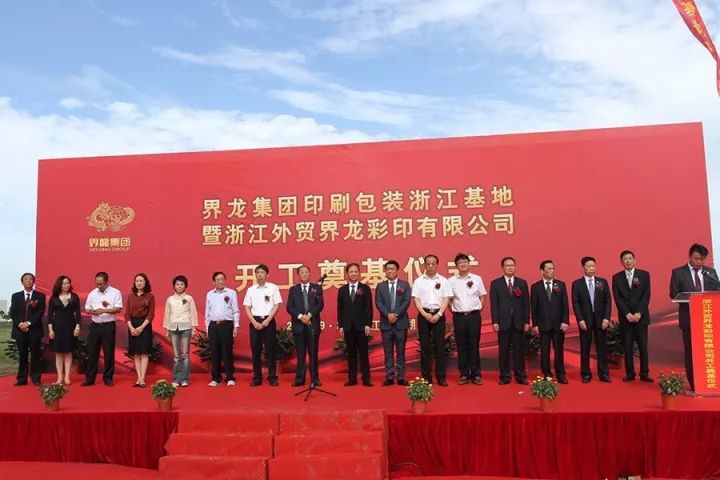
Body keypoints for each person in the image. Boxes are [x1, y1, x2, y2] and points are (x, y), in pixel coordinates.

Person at [669, 243, 719, 392]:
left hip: (708, 319)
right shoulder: (678, 273)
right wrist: (693, 298)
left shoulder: (710, 272)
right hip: (689, 319)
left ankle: (710, 383)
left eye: (702, 259)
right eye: (696, 258)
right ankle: (695, 385)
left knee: (709, 353)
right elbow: (674, 294)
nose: (699, 262)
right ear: (690, 256)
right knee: (691, 353)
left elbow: (717, 291)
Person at [411, 254, 453, 386]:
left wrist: (439, 314)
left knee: (440, 346)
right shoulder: (418, 281)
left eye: (433, 264)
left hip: (438, 315)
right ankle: (426, 377)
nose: (430, 266)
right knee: (425, 347)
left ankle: (440, 377)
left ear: (437, 265)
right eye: (428, 264)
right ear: (424, 265)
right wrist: (424, 314)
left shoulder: (444, 281)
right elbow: (416, 299)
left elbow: (446, 298)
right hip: (423, 315)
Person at [612, 250, 653, 383]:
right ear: (621, 262)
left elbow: (646, 295)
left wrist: (639, 313)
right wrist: (627, 313)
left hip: (641, 316)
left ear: (634, 260)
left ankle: (644, 373)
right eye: (625, 259)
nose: (628, 261)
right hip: (626, 318)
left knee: (643, 346)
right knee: (627, 346)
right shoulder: (617, 277)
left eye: (630, 258)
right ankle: (630, 373)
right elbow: (618, 298)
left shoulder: (644, 275)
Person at [490, 257, 530, 385]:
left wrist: (526, 321)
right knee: (504, 351)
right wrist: (495, 321)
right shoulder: (496, 283)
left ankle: (520, 375)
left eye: (512, 265)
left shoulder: (522, 283)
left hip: (518, 322)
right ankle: (504, 376)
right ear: (503, 267)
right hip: (503, 322)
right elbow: (494, 304)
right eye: (507, 265)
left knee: (519, 350)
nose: (510, 267)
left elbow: (526, 304)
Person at [571, 257, 612, 383]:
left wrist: (606, 318)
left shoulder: (602, 282)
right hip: (585, 320)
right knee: (585, 347)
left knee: (602, 347)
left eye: (593, 266)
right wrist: (580, 319)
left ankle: (604, 373)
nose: (591, 268)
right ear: (583, 267)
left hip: (600, 319)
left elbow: (608, 301)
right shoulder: (577, 284)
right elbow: (576, 303)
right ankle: (585, 373)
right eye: (588, 266)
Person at [449, 253, 487, 385]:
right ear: (456, 266)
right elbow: (448, 299)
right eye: (460, 262)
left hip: (474, 316)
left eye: (465, 261)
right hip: (459, 317)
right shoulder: (451, 281)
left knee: (474, 345)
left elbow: (482, 296)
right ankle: (464, 374)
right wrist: (453, 309)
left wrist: (478, 308)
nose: (463, 264)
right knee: (461, 346)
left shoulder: (477, 279)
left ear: (469, 264)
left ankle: (476, 374)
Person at [530, 260, 569, 384]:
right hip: (543, 324)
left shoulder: (560, 285)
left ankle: (560, 374)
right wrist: (535, 324)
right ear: (542, 271)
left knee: (559, 350)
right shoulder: (536, 287)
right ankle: (546, 373)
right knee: (545, 351)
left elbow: (565, 305)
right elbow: (534, 307)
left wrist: (565, 321)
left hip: (558, 324)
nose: (552, 271)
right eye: (549, 268)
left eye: (553, 268)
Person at [243, 264, 282, 387]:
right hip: (254, 321)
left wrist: (267, 321)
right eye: (258, 272)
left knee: (271, 350)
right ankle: (257, 377)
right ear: (255, 275)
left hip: (268, 321)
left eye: (262, 272)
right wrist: (254, 322)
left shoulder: (273, 288)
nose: (260, 274)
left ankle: (272, 377)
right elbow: (247, 307)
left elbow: (277, 305)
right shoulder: (251, 289)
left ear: (267, 275)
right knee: (256, 350)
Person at [375, 260, 412, 386]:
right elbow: (378, 303)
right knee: (388, 351)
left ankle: (401, 376)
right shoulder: (381, 286)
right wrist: (388, 315)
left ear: (397, 270)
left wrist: (395, 314)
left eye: (392, 269)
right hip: (386, 324)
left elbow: (406, 302)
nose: (390, 271)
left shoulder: (405, 285)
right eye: (388, 269)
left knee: (401, 351)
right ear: (385, 271)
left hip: (400, 323)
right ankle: (389, 376)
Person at [286, 265, 324, 387]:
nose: (304, 274)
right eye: (302, 272)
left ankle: (315, 379)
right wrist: (301, 317)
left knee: (313, 354)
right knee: (300, 354)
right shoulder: (293, 289)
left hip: (313, 325)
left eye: (307, 272)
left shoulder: (316, 288)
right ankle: (300, 379)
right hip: (298, 326)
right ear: (298, 275)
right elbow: (289, 307)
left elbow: (320, 305)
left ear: (309, 274)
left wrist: (309, 315)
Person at [82, 272, 122, 387]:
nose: (99, 286)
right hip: (95, 325)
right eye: (97, 284)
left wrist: (103, 310)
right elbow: (87, 308)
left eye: (101, 284)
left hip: (108, 326)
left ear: (107, 282)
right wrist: (91, 311)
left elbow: (118, 309)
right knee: (92, 353)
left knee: (108, 353)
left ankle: (108, 378)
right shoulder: (92, 293)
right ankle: (90, 378)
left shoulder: (115, 292)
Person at [337, 263, 373, 387]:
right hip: (348, 326)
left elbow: (368, 308)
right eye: (351, 272)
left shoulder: (365, 288)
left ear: (359, 273)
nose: (353, 274)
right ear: (347, 274)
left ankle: (366, 378)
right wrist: (341, 325)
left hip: (362, 326)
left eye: (355, 271)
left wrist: (368, 324)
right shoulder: (342, 290)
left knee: (363, 353)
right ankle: (352, 378)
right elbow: (340, 309)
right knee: (351, 353)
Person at [9, 273, 46, 386]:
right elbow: (13, 313)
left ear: (34, 282)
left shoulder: (40, 296)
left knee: (35, 355)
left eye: (31, 279)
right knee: (22, 355)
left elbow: (40, 312)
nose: (28, 281)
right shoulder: (16, 296)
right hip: (19, 330)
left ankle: (36, 378)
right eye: (26, 279)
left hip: (34, 330)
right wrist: (21, 324)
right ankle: (21, 379)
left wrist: (28, 323)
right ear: (22, 282)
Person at [163, 275, 198, 387]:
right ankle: (176, 378)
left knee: (185, 355)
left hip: (186, 327)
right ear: (174, 286)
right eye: (177, 284)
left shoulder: (189, 298)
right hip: (173, 327)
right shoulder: (170, 299)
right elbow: (167, 314)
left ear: (185, 286)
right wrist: (166, 328)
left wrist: (194, 328)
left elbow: (193, 312)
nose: (179, 286)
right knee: (176, 355)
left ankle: (184, 379)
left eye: (182, 284)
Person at [205, 271, 239, 387]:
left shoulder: (231, 293)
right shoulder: (209, 294)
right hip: (213, 325)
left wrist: (236, 326)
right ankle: (216, 378)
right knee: (214, 352)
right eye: (218, 279)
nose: (221, 281)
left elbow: (235, 311)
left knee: (227, 351)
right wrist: (207, 328)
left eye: (223, 279)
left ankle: (230, 377)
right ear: (213, 282)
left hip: (227, 325)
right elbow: (207, 312)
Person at [47, 275, 81, 385]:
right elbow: (49, 315)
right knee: (58, 353)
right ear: (59, 285)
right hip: (57, 327)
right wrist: (51, 330)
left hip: (70, 326)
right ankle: (59, 377)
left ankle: (67, 377)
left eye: (68, 283)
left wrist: (77, 327)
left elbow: (78, 314)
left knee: (68, 352)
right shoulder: (54, 297)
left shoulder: (74, 297)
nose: (67, 285)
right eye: (64, 283)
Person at [125, 273, 155, 387]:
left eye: (141, 281)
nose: (139, 283)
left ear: (145, 283)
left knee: (144, 353)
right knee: (136, 353)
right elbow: (127, 314)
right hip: (132, 325)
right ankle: (138, 378)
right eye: (137, 281)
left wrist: (142, 327)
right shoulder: (130, 296)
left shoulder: (150, 296)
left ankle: (142, 379)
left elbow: (151, 314)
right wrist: (131, 327)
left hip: (145, 325)